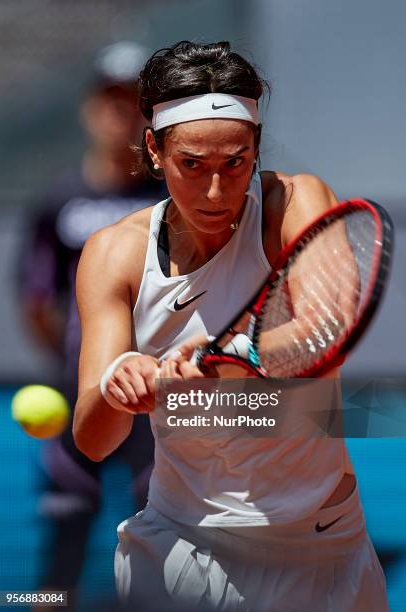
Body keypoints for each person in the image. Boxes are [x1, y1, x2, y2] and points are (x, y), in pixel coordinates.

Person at [73, 41, 389, 611]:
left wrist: (225, 354)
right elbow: (94, 441)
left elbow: (329, 337)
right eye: (191, 164)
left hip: (325, 550)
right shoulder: (113, 252)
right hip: (181, 550)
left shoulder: (294, 202)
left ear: (256, 148)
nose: (216, 191)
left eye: (235, 162)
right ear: (154, 149)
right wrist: (123, 379)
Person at [18, 41, 166, 609]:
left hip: (155, 400)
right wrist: (80, 367)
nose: (120, 114)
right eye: (110, 101)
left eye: (133, 103)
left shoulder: (168, 199)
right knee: (66, 526)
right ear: (89, 109)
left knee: (158, 524)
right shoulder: (60, 199)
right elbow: (37, 300)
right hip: (74, 394)